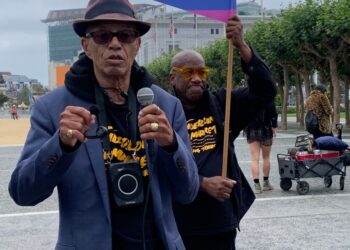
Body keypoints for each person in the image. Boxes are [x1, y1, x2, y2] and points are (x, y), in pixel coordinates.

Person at [8, 0, 199, 249]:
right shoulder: (55, 108)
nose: (115, 43)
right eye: (102, 36)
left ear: (137, 44)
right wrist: (61, 145)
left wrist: (172, 146)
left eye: (126, 35)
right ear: (86, 46)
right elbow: (23, 193)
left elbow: (189, 192)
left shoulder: (166, 105)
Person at [169, 15, 276, 250]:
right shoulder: (162, 113)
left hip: (220, 224)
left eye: (202, 72)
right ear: (172, 77)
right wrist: (203, 183)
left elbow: (265, 91)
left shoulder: (223, 104)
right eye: (188, 72)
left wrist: (242, 46)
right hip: (177, 225)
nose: (197, 79)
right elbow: (160, 170)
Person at [245, 101, 278, 194]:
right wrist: (274, 126)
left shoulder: (249, 97)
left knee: (254, 159)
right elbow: (274, 113)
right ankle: (266, 183)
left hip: (252, 129)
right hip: (266, 128)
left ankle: (257, 186)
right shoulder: (268, 97)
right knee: (266, 157)